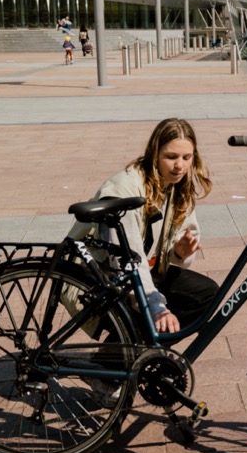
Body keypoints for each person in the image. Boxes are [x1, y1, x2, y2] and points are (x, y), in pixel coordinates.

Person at [68, 118, 216, 335]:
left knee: (207, 294)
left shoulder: (177, 187)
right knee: (146, 318)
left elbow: (175, 251)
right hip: (94, 276)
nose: (180, 165)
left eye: (187, 157)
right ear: (154, 154)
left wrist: (179, 252)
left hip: (137, 271)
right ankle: (118, 359)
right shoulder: (126, 189)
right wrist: (156, 306)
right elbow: (123, 260)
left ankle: (142, 355)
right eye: (171, 157)